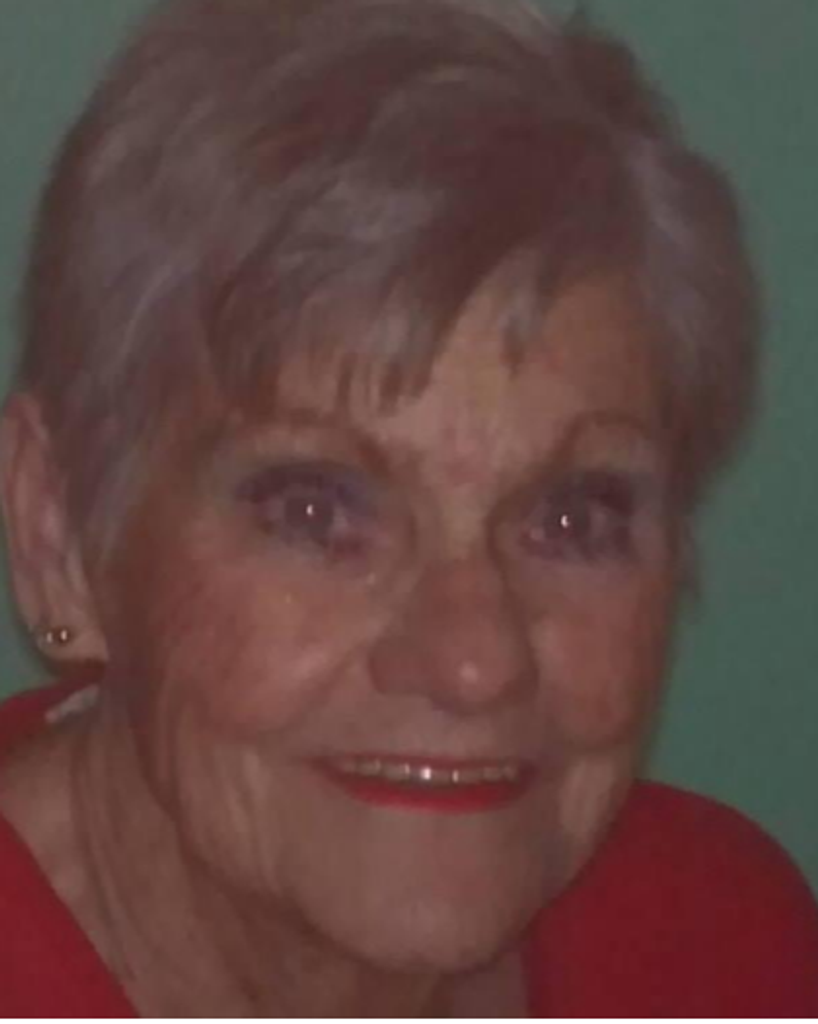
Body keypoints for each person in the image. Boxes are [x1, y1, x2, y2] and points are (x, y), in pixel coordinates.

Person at [0, 0, 816, 1016]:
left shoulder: (723, 944)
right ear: (60, 532)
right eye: (313, 512)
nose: (476, 662)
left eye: (571, 520)